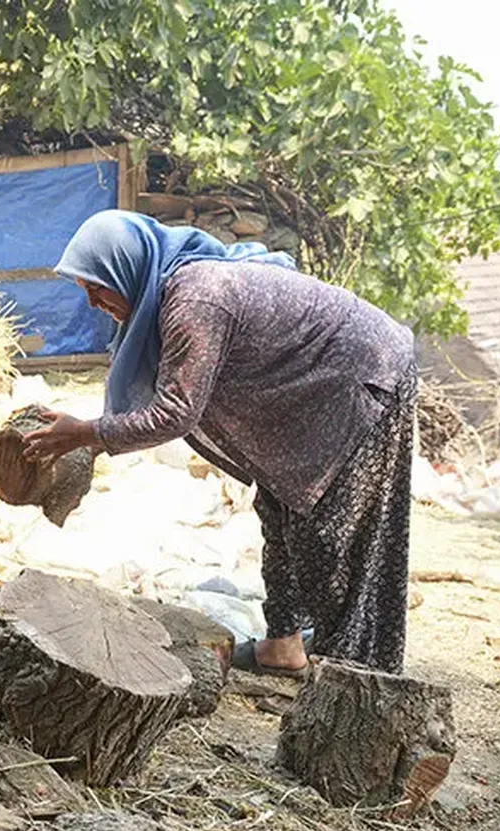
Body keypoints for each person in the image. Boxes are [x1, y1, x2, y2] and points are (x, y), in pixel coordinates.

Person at [23, 210, 416, 677]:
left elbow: (175, 412)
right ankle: (284, 646)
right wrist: (87, 436)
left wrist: (88, 434)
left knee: (331, 538)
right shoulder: (168, 296)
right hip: (309, 392)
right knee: (280, 510)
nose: (91, 301)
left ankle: (358, 678)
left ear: (127, 268)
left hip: (363, 377)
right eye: (84, 289)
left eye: (97, 285)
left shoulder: (195, 300)